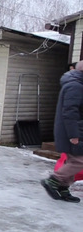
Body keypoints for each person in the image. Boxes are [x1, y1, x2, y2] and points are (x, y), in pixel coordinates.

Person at [41, 60, 83, 203]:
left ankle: (63, 189)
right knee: (79, 161)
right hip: (72, 132)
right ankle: (53, 181)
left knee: (72, 161)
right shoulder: (75, 86)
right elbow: (70, 112)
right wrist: (74, 135)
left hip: (75, 130)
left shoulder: (77, 84)